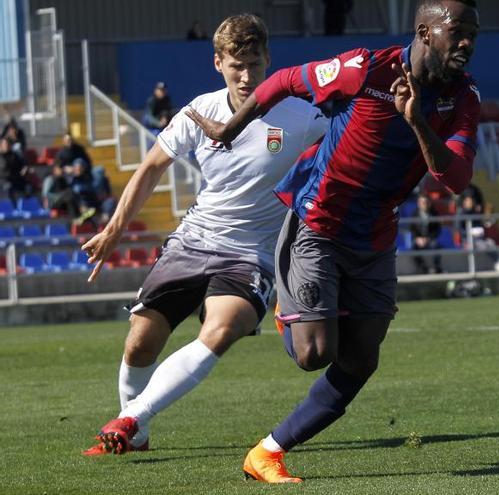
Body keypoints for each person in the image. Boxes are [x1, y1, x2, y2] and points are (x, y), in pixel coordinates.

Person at [186, 0, 480, 483]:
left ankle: (267, 452)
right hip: (318, 224)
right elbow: (283, 82)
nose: (467, 44)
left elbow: (456, 179)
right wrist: (229, 129)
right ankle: (287, 300)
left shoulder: (463, 98)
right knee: (313, 354)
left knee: (363, 357)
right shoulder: (364, 69)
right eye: (457, 33)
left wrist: (418, 121)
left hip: (376, 237)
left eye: (473, 34)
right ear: (425, 33)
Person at [80, 14, 328, 457]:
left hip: (252, 254)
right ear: (219, 63)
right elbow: (152, 165)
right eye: (237, 65)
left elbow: (349, 150)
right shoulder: (200, 111)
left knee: (222, 327)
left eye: (255, 63)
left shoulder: (301, 115)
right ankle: (135, 437)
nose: (247, 75)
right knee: (140, 339)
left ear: (269, 59)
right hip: (193, 240)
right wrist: (115, 229)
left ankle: (131, 419)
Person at [410, 194, 443, 274]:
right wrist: (418, 238)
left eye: (425, 202)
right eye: (421, 202)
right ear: (418, 203)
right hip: (419, 240)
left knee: (437, 246)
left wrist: (428, 238)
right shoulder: (414, 214)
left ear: (429, 203)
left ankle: (436, 268)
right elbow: (412, 229)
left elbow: (437, 230)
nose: (423, 204)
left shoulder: (435, 213)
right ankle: (422, 269)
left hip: (430, 239)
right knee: (413, 248)